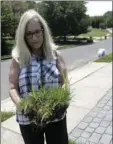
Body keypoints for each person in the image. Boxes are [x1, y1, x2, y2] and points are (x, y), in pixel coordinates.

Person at [9, 9, 69, 144]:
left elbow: (64, 82)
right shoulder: (18, 58)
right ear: (23, 36)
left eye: (37, 32)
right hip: (28, 120)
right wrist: (23, 106)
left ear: (43, 30)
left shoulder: (55, 55)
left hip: (55, 116)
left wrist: (62, 102)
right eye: (29, 34)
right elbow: (12, 88)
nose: (34, 38)